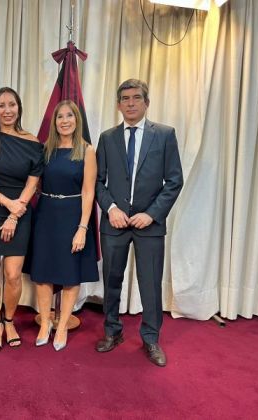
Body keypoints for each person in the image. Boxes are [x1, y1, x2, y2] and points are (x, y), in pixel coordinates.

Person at [95, 79, 183, 367]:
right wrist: (111, 208)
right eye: (125, 98)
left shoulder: (165, 135)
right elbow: (97, 181)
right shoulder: (107, 138)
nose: (130, 103)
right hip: (115, 224)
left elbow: (174, 181)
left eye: (136, 98)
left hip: (150, 225)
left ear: (147, 102)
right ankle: (112, 331)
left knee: (150, 284)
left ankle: (151, 338)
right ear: (118, 104)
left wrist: (152, 214)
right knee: (112, 281)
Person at [0, 87, 43, 352]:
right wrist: (7, 204)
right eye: (1, 106)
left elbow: (32, 184)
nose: (7, 110)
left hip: (21, 212)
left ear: (19, 108)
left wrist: (15, 213)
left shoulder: (33, 142)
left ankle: (9, 320)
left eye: (11, 104)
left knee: (13, 274)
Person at [30, 100, 98, 351]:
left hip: (73, 216)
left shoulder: (87, 150)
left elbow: (89, 192)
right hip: (46, 214)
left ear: (77, 120)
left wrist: (82, 228)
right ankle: (45, 323)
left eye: (70, 116)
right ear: (54, 122)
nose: (65, 121)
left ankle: (61, 327)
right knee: (42, 273)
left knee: (71, 273)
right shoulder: (45, 149)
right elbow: (35, 183)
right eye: (60, 117)